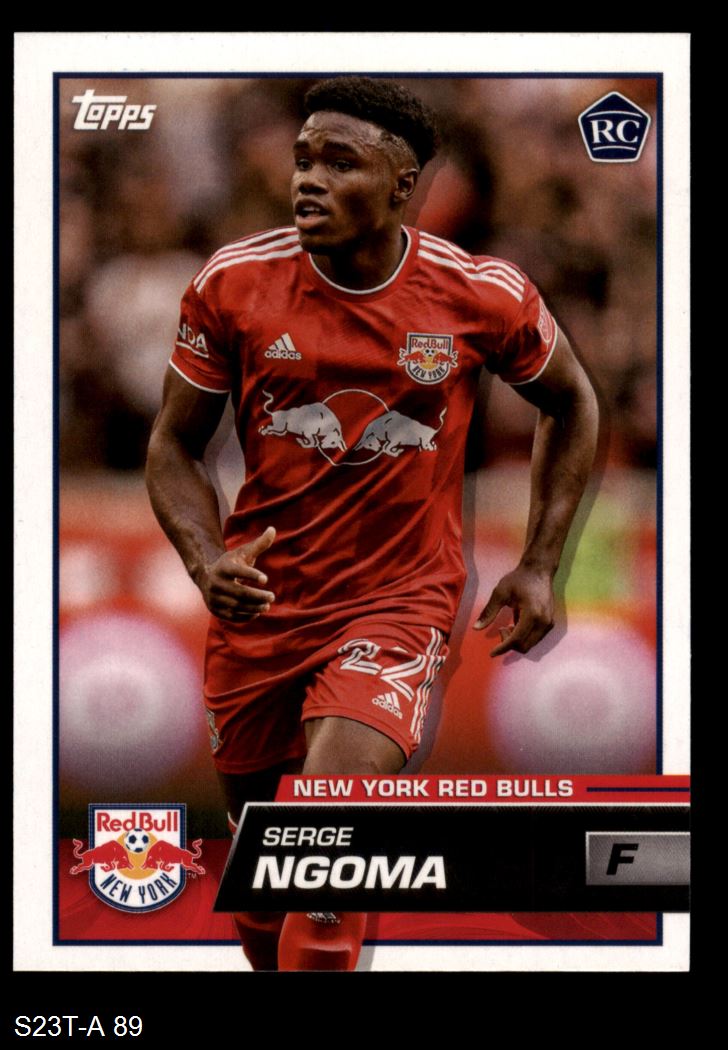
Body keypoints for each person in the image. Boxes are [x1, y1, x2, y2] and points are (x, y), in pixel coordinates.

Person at [145, 76, 599, 971]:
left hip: (397, 603)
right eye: (303, 159)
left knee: (324, 858)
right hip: (265, 609)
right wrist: (205, 562)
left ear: (402, 186)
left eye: (339, 162)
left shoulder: (479, 294)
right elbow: (172, 444)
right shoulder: (233, 284)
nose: (308, 179)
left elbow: (572, 402)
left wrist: (542, 562)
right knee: (265, 904)